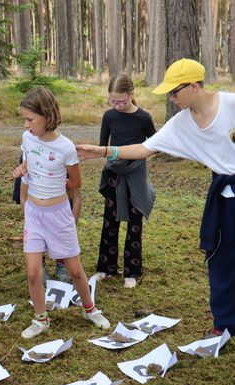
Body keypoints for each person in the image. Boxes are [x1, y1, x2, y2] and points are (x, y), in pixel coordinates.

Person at [78, 58, 235, 338]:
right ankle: (226, 325)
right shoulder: (181, 123)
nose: (171, 98)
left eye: (174, 92)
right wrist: (102, 151)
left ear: (194, 86)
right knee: (222, 259)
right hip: (220, 194)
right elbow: (144, 148)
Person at [14, 86, 111, 339]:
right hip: (34, 214)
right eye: (25, 119)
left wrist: (54, 183)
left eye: (30, 119)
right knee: (33, 272)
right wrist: (23, 171)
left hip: (58, 216)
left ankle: (89, 309)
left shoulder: (66, 147)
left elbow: (76, 183)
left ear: (47, 115)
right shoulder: (27, 139)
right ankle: (41, 318)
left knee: (75, 271)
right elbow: (28, 161)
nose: (26, 125)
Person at [94, 73, 156, 289]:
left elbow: (154, 145)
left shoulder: (144, 118)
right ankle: (106, 267)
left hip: (136, 177)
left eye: (121, 101)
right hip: (114, 175)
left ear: (131, 95)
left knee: (134, 224)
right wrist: (112, 160)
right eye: (113, 101)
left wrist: (136, 162)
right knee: (110, 221)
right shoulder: (109, 116)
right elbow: (103, 146)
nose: (117, 105)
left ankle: (132, 271)